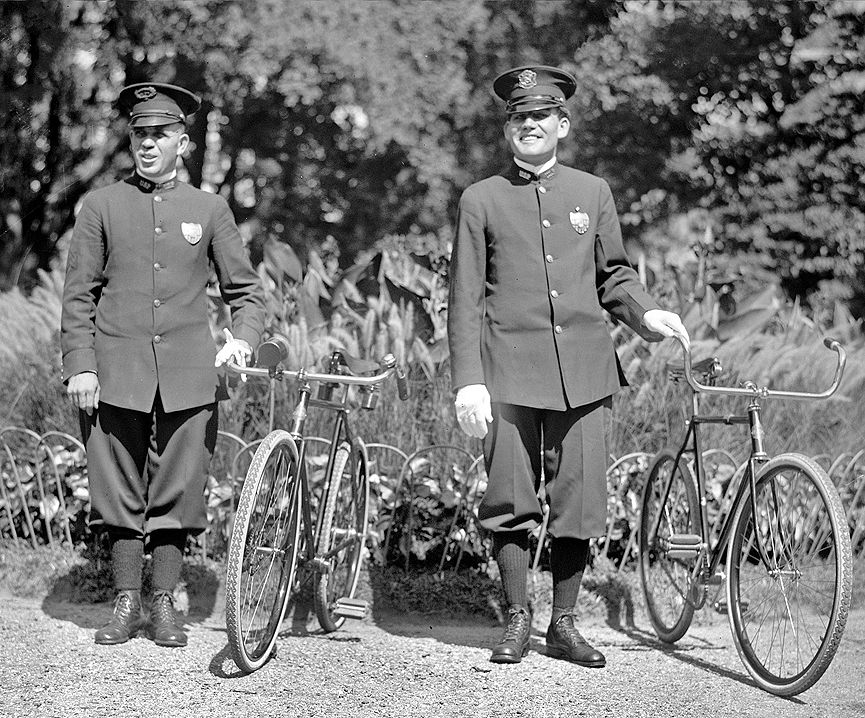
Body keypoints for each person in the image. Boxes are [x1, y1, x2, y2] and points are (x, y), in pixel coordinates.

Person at [447, 65, 690, 667]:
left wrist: (647, 314)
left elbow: (614, 277)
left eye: (540, 117)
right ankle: (517, 620)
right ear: (508, 128)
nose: (529, 126)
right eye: (518, 118)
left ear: (562, 123)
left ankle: (564, 623)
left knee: (579, 502)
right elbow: (465, 296)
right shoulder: (481, 199)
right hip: (506, 375)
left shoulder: (592, 192)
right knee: (508, 498)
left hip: (583, 371)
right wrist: (468, 382)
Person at [61, 82, 266, 648]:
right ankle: (126, 601)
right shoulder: (101, 205)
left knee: (180, 488)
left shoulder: (209, 208)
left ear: (183, 140)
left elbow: (246, 292)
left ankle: (163, 601)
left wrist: (242, 341)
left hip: (187, 373)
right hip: (113, 370)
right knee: (117, 488)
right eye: (140, 134)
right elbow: (78, 294)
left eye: (160, 135)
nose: (148, 144)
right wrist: (80, 365)